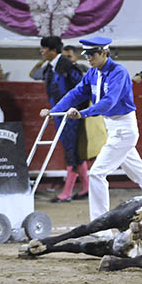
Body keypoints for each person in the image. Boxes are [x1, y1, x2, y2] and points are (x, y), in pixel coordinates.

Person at [40, 37, 142, 234]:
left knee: (97, 173)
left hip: (123, 128)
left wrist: (83, 113)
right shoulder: (92, 73)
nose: (88, 58)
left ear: (104, 53)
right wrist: (54, 110)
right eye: (87, 55)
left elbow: (110, 101)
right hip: (114, 128)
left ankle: (100, 228)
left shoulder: (119, 72)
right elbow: (76, 93)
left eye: (92, 55)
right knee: (140, 174)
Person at [38, 36, 89, 203]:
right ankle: (86, 188)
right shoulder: (52, 67)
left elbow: (82, 88)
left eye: (44, 48)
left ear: (53, 50)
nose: (42, 51)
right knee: (73, 150)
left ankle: (67, 192)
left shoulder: (66, 65)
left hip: (70, 115)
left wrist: (76, 111)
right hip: (61, 114)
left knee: (70, 150)